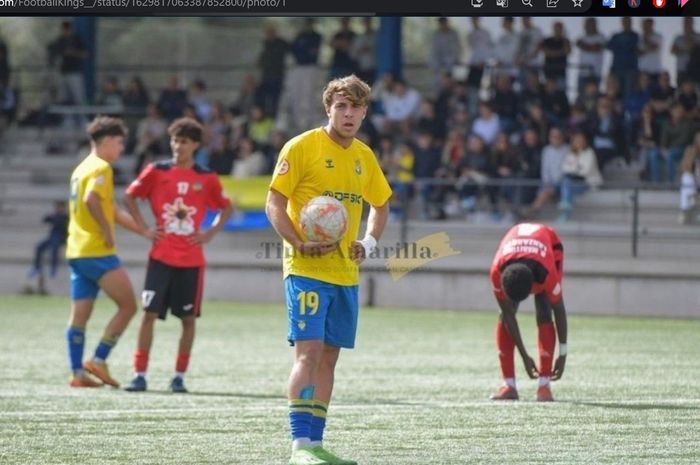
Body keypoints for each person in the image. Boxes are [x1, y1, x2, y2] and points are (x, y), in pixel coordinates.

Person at [265, 74, 391, 465]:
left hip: (345, 275)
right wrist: (298, 242)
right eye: (341, 106)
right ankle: (299, 447)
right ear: (328, 109)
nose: (349, 113)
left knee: (330, 358)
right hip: (306, 268)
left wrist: (368, 243)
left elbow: (381, 205)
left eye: (356, 107)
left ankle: (316, 444)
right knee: (308, 354)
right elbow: (273, 201)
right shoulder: (302, 147)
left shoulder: (365, 157)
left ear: (365, 112)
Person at [122, 117, 233, 393]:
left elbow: (226, 207)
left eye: (183, 141)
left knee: (187, 320)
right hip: (160, 257)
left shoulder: (206, 177)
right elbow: (130, 196)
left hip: (191, 262)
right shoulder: (156, 171)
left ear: (195, 145)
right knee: (148, 315)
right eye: (174, 140)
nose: (177, 146)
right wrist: (144, 228)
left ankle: (179, 377)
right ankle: (139, 374)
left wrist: (210, 233)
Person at [65, 116, 141, 388]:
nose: (121, 148)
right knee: (129, 305)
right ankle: (98, 358)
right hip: (97, 251)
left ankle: (77, 372)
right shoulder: (101, 168)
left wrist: (143, 231)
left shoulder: (81, 168)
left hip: (76, 250)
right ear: (107, 141)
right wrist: (107, 232)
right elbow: (92, 200)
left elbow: (111, 210)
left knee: (79, 317)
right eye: (119, 143)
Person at [489, 222, 568, 402]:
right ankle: (509, 385)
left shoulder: (546, 274)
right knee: (505, 314)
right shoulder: (496, 272)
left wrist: (563, 354)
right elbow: (508, 314)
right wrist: (525, 356)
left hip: (547, 246)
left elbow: (559, 310)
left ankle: (544, 385)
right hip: (517, 250)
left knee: (544, 310)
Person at [24, 200, 69, 295]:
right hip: (52, 237)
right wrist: (51, 216)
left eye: (60, 207)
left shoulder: (66, 217)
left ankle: (53, 268)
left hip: (61, 238)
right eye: (57, 207)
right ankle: (36, 267)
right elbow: (45, 220)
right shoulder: (54, 215)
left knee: (55, 246)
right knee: (39, 247)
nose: (59, 209)